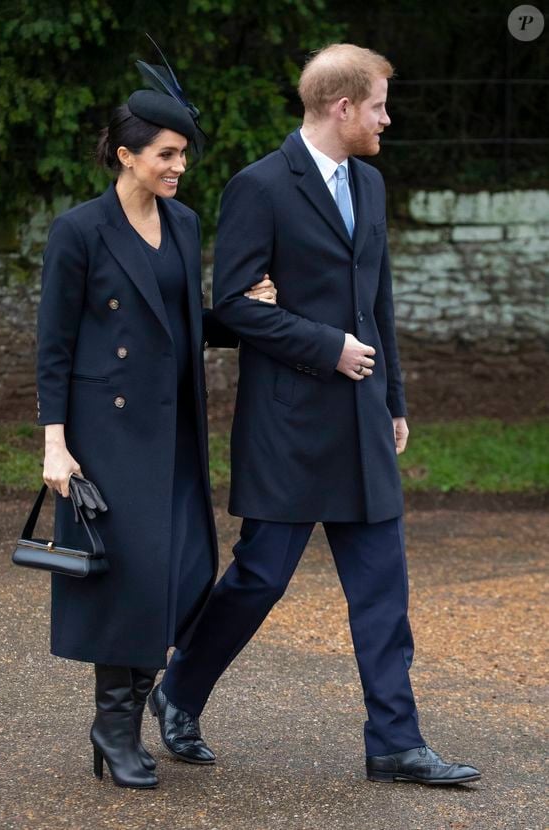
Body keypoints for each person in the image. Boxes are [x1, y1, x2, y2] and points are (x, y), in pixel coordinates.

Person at [149, 44, 481, 786]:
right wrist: (326, 345)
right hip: (289, 424)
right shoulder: (259, 187)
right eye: (378, 106)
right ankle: (179, 688)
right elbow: (231, 305)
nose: (386, 120)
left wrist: (393, 399)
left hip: (362, 419)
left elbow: (378, 301)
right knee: (260, 578)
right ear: (342, 108)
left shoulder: (370, 181)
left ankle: (395, 742)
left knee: (383, 588)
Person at [37, 80, 276, 789]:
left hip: (173, 429)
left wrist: (243, 315)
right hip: (104, 434)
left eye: (183, 156)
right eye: (167, 154)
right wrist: (54, 443)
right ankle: (116, 727)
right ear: (126, 155)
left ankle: (121, 722)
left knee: (185, 570)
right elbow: (54, 343)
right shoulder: (79, 230)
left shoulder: (185, 225)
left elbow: (185, 321)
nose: (179, 166)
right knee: (131, 576)